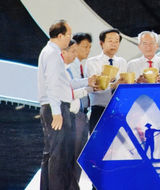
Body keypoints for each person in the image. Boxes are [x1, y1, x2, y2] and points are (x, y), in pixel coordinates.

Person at [37, 20, 78, 190]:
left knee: (51, 155)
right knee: (59, 156)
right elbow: (52, 84)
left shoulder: (50, 52)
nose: (70, 39)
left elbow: (61, 84)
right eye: (69, 35)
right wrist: (57, 111)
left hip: (54, 106)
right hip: (57, 107)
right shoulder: (53, 53)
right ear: (60, 36)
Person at [64, 35, 94, 187]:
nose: (87, 50)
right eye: (85, 46)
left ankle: (72, 185)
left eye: (90, 46)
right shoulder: (70, 65)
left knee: (78, 155)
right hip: (73, 114)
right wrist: (89, 83)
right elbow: (71, 85)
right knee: (73, 154)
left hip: (82, 113)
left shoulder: (82, 65)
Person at [85, 29, 128, 133]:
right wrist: (113, 85)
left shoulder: (122, 62)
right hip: (99, 109)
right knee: (98, 144)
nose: (114, 44)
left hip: (119, 111)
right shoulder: (92, 62)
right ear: (101, 43)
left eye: (117, 41)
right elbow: (93, 88)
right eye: (110, 41)